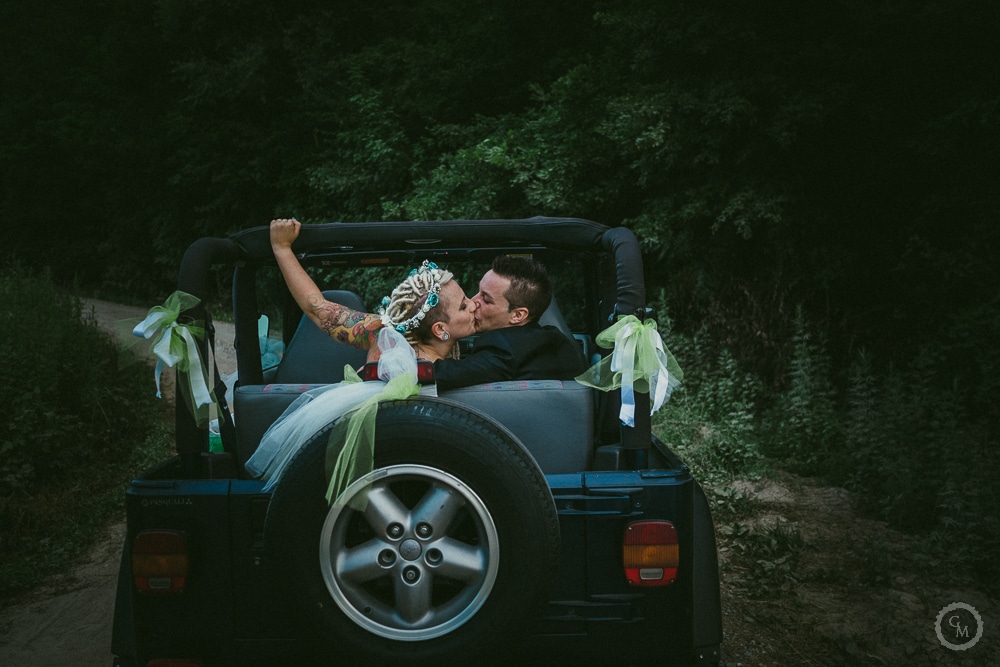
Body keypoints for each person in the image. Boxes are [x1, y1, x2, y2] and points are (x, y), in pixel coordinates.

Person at [434, 254, 586, 390]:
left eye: (486, 300)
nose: (473, 303)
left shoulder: (503, 348)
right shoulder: (555, 340)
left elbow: (440, 375)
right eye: (478, 292)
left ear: (518, 315)